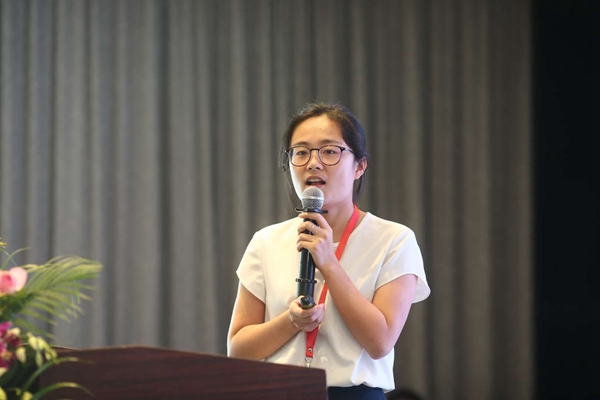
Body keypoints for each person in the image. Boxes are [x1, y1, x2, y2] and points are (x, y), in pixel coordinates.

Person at [227, 102, 430, 400]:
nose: (313, 163)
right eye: (301, 152)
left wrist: (329, 264)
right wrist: (291, 321)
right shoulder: (266, 241)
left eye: (330, 151)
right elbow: (238, 350)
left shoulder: (394, 239)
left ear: (359, 166)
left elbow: (380, 342)